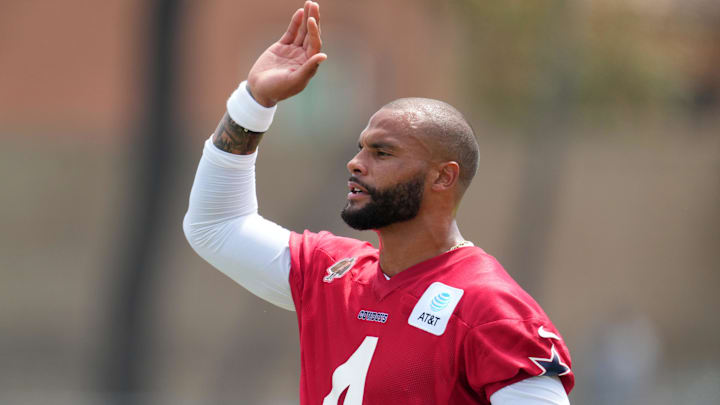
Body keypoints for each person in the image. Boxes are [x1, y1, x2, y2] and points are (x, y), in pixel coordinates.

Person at [183, 2, 574, 404]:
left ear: (444, 176)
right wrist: (254, 103)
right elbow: (216, 226)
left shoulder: (493, 312)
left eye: (382, 153)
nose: (356, 163)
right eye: (360, 148)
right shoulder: (332, 275)